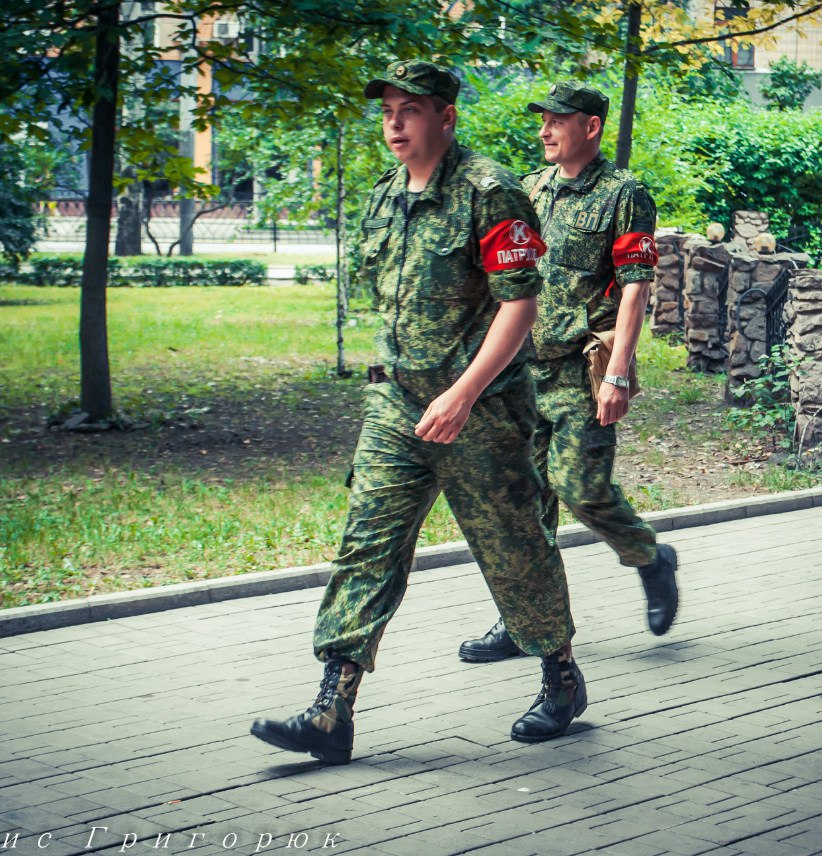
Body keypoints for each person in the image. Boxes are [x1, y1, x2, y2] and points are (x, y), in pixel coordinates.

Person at [251, 61, 587, 762]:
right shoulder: (383, 198)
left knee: (514, 548)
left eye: (409, 110)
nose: (394, 124)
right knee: (367, 545)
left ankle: (560, 675)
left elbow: (519, 304)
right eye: (387, 112)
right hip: (396, 405)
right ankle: (331, 709)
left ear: (446, 117)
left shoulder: (489, 192)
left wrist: (463, 392)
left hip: (482, 409)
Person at [458, 82, 678, 664]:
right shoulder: (531, 188)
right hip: (522, 373)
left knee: (582, 488)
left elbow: (636, 289)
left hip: (582, 369)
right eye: (544, 120)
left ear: (591, 127)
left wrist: (619, 374)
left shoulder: (624, 193)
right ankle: (523, 621)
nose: (544, 130)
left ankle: (650, 558)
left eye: (557, 120)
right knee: (522, 507)